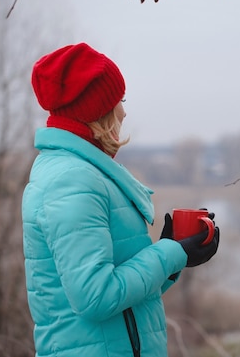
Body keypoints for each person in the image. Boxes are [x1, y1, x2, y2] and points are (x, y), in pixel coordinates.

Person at [21, 42, 220, 357]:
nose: (124, 111)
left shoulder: (86, 173)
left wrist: (174, 258)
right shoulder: (71, 181)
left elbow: (123, 299)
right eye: (119, 100)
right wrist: (170, 253)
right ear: (96, 111)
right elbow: (95, 297)